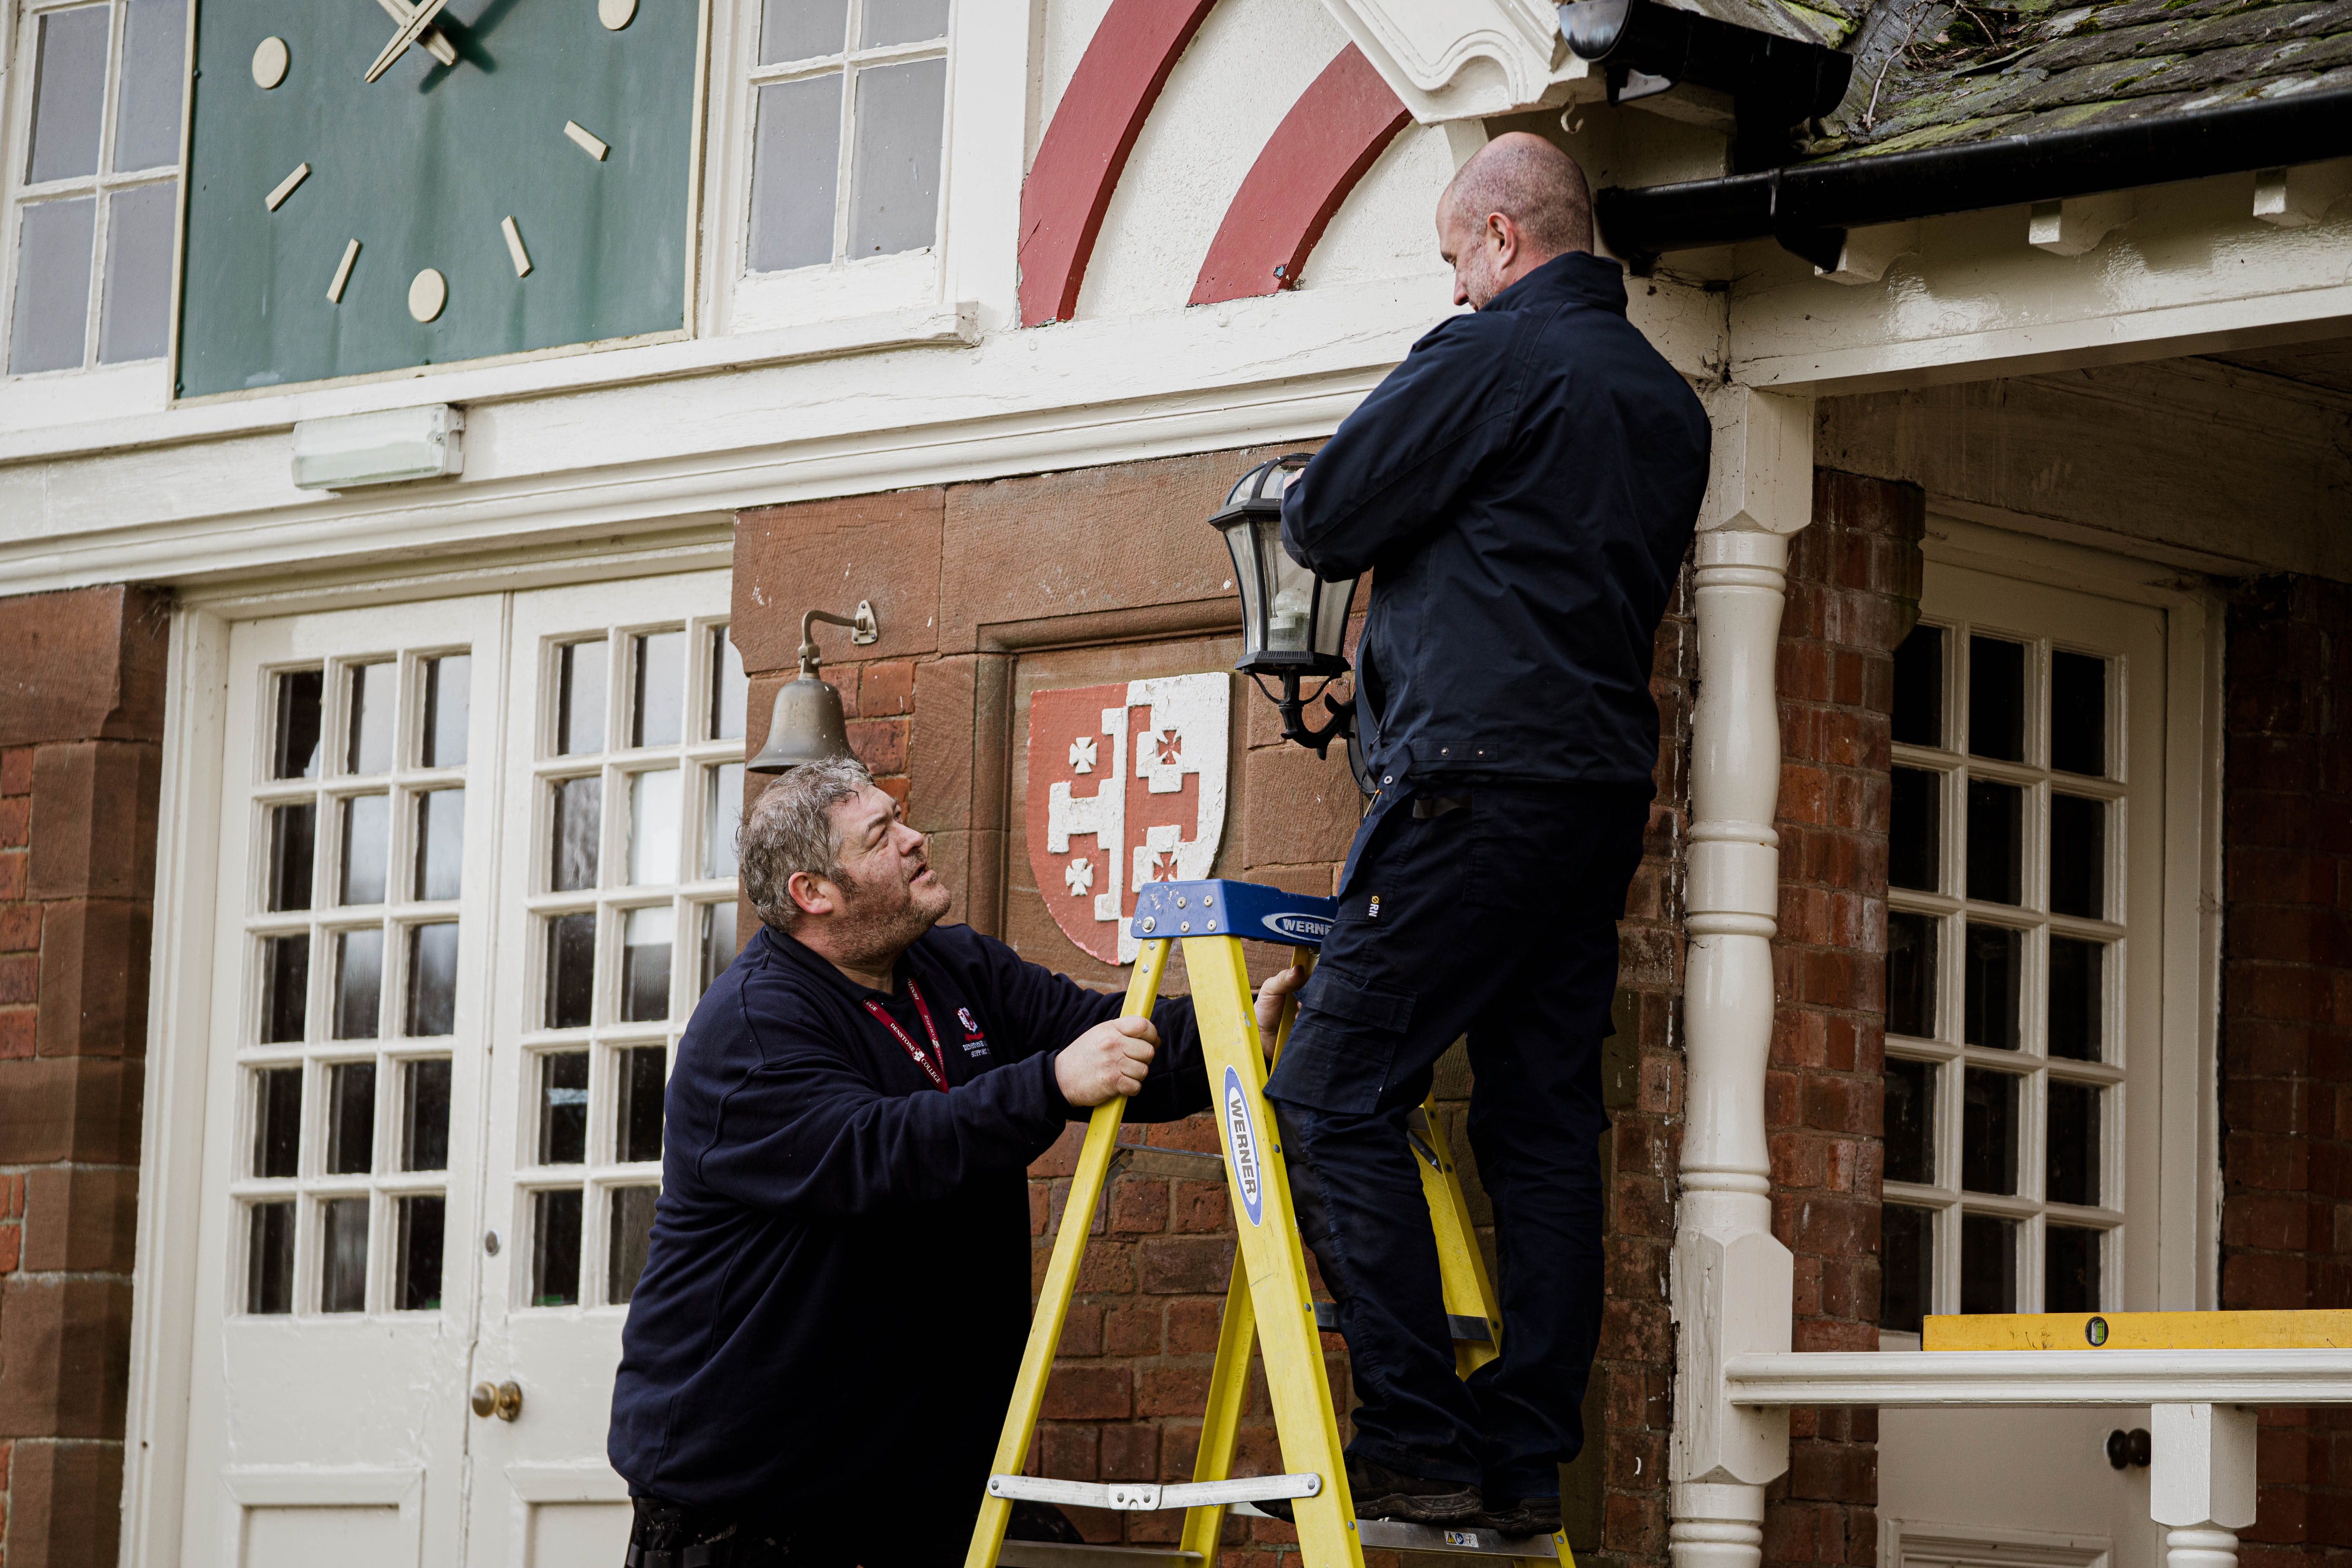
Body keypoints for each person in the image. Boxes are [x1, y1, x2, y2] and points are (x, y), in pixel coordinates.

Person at [1256, 131, 1712, 1535]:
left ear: (1506, 241)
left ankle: (1412, 1448)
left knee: (1328, 1097)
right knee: (1544, 1129)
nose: (1453, 287)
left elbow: (1326, 518)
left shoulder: (1494, 353)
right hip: (1590, 801)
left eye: (1457, 260)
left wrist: (1437, 360)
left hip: (1470, 788)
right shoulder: (1665, 403)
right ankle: (1522, 1466)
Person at [610, 757, 1232, 1567]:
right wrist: (1047, 1083)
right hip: (750, 1496)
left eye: (900, 816)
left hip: (919, 1479)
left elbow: (1116, 1037)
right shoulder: (755, 1025)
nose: (913, 838)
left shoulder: (960, 967)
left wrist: (1240, 1031)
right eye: (882, 833)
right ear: (814, 891)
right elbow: (877, 1151)